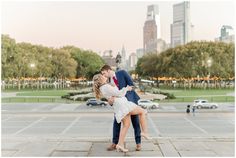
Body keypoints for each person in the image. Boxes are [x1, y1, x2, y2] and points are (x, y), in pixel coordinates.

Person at [92, 73, 150, 152]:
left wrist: (115, 92)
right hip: (123, 105)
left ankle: (120, 144)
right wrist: (127, 88)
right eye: (103, 76)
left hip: (119, 105)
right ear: (100, 79)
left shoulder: (104, 88)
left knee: (126, 125)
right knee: (142, 112)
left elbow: (115, 94)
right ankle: (144, 132)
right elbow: (119, 93)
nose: (104, 76)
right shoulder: (106, 87)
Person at [100, 65, 142, 151]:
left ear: (108, 70)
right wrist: (110, 101)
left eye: (104, 73)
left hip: (130, 101)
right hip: (119, 105)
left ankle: (138, 143)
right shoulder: (107, 82)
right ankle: (115, 143)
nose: (103, 75)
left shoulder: (122, 73)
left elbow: (132, 86)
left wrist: (122, 96)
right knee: (116, 122)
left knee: (135, 122)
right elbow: (110, 95)